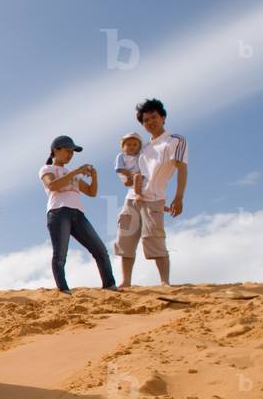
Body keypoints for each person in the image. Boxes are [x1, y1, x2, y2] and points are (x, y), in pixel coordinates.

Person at [115, 98, 188, 287]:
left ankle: (165, 282)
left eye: (153, 117)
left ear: (163, 117)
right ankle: (125, 282)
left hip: (154, 198)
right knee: (125, 239)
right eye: (145, 120)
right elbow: (133, 172)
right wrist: (126, 179)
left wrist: (178, 197)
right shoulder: (143, 148)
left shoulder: (175, 140)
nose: (150, 122)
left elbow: (182, 169)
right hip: (131, 198)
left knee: (154, 238)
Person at [39, 135, 117, 294]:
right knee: (60, 254)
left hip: (78, 214)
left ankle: (110, 285)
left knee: (100, 250)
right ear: (56, 151)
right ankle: (64, 290)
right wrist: (76, 172)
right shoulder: (47, 169)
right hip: (59, 212)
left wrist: (94, 177)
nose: (71, 154)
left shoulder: (71, 173)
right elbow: (53, 185)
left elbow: (91, 192)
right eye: (68, 151)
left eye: (72, 152)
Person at [114, 131, 144, 199]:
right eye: (128, 145)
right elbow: (119, 168)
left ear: (139, 147)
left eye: (135, 145)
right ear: (123, 147)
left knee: (147, 182)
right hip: (127, 175)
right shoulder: (121, 156)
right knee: (137, 177)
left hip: (138, 175)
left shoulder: (139, 156)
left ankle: (156, 200)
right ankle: (137, 194)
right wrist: (130, 175)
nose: (131, 147)